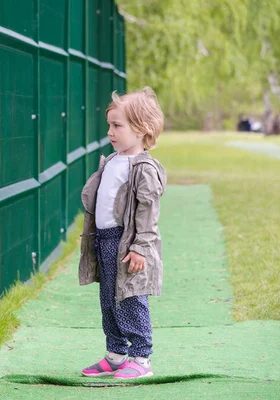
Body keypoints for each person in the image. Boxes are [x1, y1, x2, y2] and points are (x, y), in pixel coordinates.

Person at [78, 87, 167, 379]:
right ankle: (116, 354)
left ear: (142, 130)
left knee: (130, 298)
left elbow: (148, 212)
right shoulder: (114, 160)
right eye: (109, 125)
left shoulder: (142, 167)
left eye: (117, 126)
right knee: (108, 300)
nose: (110, 131)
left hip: (127, 244)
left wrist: (140, 247)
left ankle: (141, 359)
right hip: (105, 241)